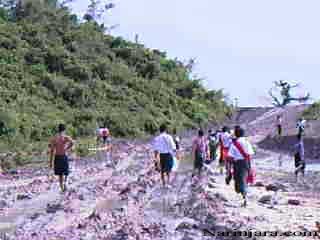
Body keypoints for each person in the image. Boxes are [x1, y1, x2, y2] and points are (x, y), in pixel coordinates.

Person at [228, 127, 254, 207]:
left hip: (238, 164)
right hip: (247, 163)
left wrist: (229, 169)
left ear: (236, 134)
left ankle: (245, 198)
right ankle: (244, 195)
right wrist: (249, 166)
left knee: (239, 181)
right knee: (244, 180)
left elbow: (230, 156)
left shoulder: (235, 143)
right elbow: (250, 154)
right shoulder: (247, 142)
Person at [49, 124, 74, 193]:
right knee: (66, 172)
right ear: (64, 130)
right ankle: (65, 183)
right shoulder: (65, 137)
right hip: (64, 156)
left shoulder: (54, 138)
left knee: (60, 174)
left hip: (57, 157)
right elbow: (72, 142)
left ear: (58, 129)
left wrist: (50, 162)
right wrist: (67, 148)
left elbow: (52, 151)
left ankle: (62, 188)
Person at [153, 124, 176, 188]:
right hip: (168, 155)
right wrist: (176, 154)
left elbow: (155, 149)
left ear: (160, 130)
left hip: (161, 155)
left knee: (162, 170)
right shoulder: (169, 137)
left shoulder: (157, 138)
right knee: (168, 169)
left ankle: (163, 183)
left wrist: (155, 158)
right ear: (165, 129)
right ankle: (168, 182)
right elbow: (173, 147)